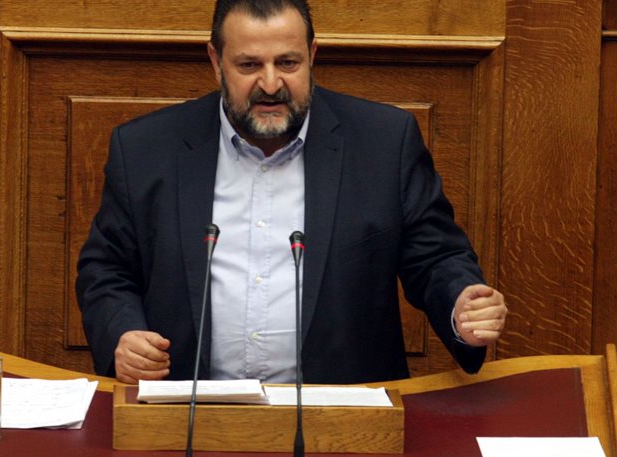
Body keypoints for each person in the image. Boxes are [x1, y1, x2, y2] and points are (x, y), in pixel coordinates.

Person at [76, 0, 507, 385]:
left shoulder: (384, 143)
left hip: (342, 416)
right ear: (216, 62)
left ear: (312, 56)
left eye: (288, 63)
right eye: (249, 65)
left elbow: (435, 258)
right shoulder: (146, 149)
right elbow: (107, 268)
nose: (270, 84)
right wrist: (122, 334)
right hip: (187, 416)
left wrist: (460, 304)